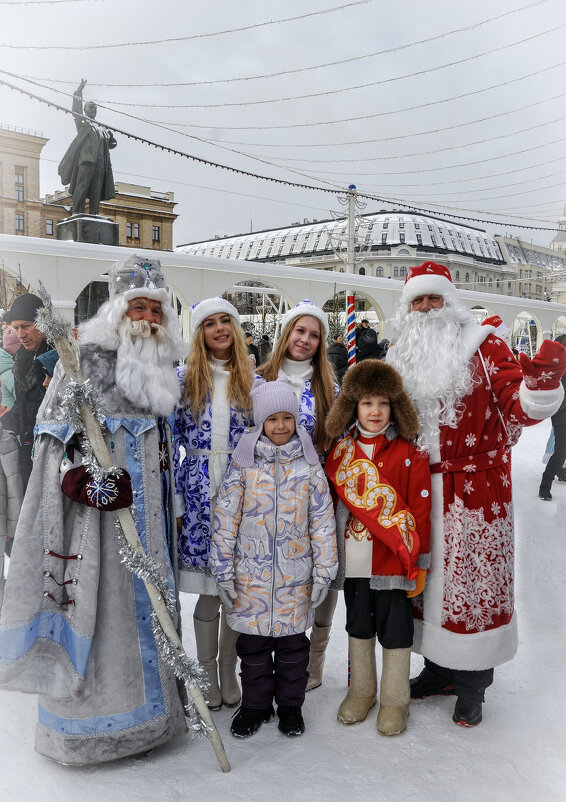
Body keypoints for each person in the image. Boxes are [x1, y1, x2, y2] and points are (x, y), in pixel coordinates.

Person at [0, 255, 189, 764]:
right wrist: (84, 481)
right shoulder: (80, 358)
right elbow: (52, 441)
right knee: (104, 613)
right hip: (101, 525)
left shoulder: (163, 365)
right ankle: (97, 733)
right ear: (118, 309)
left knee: (151, 613)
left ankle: (158, 721)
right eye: (138, 307)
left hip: (151, 522)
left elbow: (164, 444)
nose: (147, 316)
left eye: (155, 308)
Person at [386, 261, 566, 727]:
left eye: (434, 299)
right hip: (420, 492)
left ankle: (473, 687)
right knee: (427, 587)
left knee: (473, 587)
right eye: (418, 300)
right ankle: (439, 669)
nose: (426, 308)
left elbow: (518, 405)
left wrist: (540, 386)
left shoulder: (485, 346)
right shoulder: (399, 355)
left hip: (476, 494)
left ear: (450, 302)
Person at [210, 379, 337, 738]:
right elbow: (225, 521)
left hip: (295, 581)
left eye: (287, 418)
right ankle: (255, 704)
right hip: (249, 580)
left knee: (294, 649)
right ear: (259, 424)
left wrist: (324, 573)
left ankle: (291, 707)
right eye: (272, 420)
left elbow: (323, 523)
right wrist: (222, 571)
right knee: (252, 649)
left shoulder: (309, 468)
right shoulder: (244, 465)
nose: (280, 426)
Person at [324, 359, 431, 736]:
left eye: (383, 403)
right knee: (358, 623)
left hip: (395, 560)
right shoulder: (340, 451)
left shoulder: (410, 453)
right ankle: (362, 691)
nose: (374, 411)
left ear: (395, 408)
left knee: (396, 629)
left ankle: (394, 700)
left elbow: (419, 511)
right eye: (367, 403)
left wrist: (422, 562)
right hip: (355, 557)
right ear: (353, 406)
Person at [174, 298, 254, 710]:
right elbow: (170, 442)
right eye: (211, 323)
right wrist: (176, 501)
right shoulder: (184, 379)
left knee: (235, 588)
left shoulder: (252, 381)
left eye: (227, 321)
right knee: (209, 587)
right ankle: (205, 668)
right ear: (199, 332)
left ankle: (228, 666)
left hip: (241, 490)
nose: (221, 329)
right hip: (200, 488)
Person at [257, 299, 339, 690]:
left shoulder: (330, 389)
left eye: (313, 334)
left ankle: (313, 658)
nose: (305, 340)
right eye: (299, 331)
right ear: (285, 333)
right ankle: (263, 659)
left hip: (315, 497)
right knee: (268, 575)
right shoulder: (258, 379)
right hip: (265, 498)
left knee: (321, 577)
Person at [1, 293, 56, 488]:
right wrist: (6, 417)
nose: (20, 334)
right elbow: (23, 402)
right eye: (15, 328)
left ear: (42, 323)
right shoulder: (22, 358)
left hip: (53, 454)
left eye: (26, 326)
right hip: (28, 446)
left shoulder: (57, 357)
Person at [58, 79, 117, 216]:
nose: (94, 109)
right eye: (91, 107)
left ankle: (94, 214)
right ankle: (77, 212)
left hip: (101, 165)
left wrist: (111, 137)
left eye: (95, 107)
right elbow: (76, 110)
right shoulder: (83, 123)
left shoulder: (101, 128)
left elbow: (110, 144)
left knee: (96, 190)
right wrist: (79, 92)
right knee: (82, 186)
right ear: (85, 110)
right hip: (87, 161)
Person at [538, 333, 566, 499]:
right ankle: (545, 486)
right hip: (562, 413)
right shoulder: (555, 368)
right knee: (560, 452)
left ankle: (562, 472)